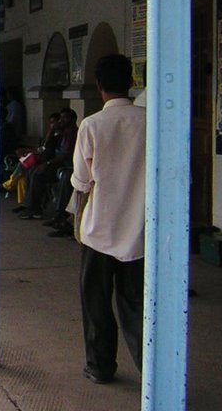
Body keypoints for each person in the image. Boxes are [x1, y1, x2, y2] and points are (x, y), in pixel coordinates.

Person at [69, 54, 146, 385]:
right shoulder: (150, 121)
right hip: (141, 232)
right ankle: (151, 368)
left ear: (99, 87)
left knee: (96, 300)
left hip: (99, 229)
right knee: (137, 304)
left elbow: (82, 181)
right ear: (131, 82)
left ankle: (100, 365)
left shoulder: (92, 125)